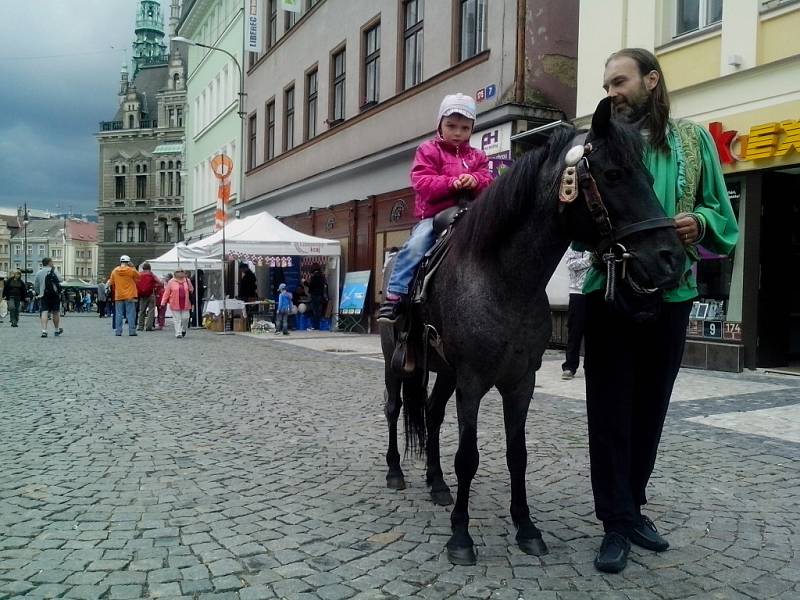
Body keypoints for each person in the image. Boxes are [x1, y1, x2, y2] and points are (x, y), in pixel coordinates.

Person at [584, 48, 739, 574]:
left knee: (649, 411)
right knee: (610, 415)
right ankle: (615, 523)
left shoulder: (693, 141)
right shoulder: (601, 141)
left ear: (652, 80)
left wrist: (698, 221)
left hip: (673, 295)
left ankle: (633, 509)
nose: (612, 92)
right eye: (607, 85)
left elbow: (723, 213)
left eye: (620, 81)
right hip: (612, 292)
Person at [378, 93, 493, 323]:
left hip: (470, 215)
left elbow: (488, 181)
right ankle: (395, 295)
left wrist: (476, 181)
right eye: (451, 126)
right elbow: (422, 183)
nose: (458, 133)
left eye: (464, 127)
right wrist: (452, 183)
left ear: (472, 128)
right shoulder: (428, 150)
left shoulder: (478, 156)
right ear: (440, 123)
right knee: (415, 246)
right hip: (434, 216)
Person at [561, 249, 593, 380]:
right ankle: (569, 366)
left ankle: (590, 367)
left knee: (593, 333)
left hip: (594, 291)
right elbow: (570, 264)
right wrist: (590, 261)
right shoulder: (574, 246)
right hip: (577, 293)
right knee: (575, 331)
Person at [109, 255, 140, 336]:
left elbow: (111, 282)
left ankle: (118, 331)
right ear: (128, 262)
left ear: (120, 261)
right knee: (130, 314)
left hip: (119, 295)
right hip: (130, 295)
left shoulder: (115, 271)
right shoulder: (131, 270)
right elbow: (139, 276)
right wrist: (133, 267)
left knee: (118, 314)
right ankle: (132, 331)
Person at [33, 257, 63, 338]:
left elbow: (36, 285)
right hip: (54, 295)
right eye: (52, 261)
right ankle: (56, 330)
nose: (52, 263)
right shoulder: (54, 271)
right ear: (49, 262)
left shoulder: (39, 273)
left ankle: (44, 331)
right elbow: (60, 280)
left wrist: (40, 293)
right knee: (55, 312)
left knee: (44, 312)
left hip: (44, 295)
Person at [161, 269, 194, 338]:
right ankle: (178, 333)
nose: (180, 273)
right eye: (178, 271)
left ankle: (183, 329)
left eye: (182, 271)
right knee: (177, 319)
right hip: (174, 303)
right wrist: (163, 302)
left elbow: (191, 289)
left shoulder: (187, 280)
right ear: (175, 273)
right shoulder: (171, 282)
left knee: (186, 318)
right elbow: (166, 293)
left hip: (186, 303)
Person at [135, 262, 160, 332]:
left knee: (142, 311)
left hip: (142, 295)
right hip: (151, 294)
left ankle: (140, 326)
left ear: (143, 268)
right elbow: (160, 282)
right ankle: (149, 327)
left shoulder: (139, 274)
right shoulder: (151, 274)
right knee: (151, 311)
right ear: (150, 268)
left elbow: (136, 283)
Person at [307, 265, 327, 330]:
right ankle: (319, 326)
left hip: (314, 295)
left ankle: (315, 326)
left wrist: (305, 283)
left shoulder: (313, 277)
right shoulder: (322, 277)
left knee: (315, 311)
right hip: (320, 295)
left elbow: (311, 286)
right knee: (319, 311)